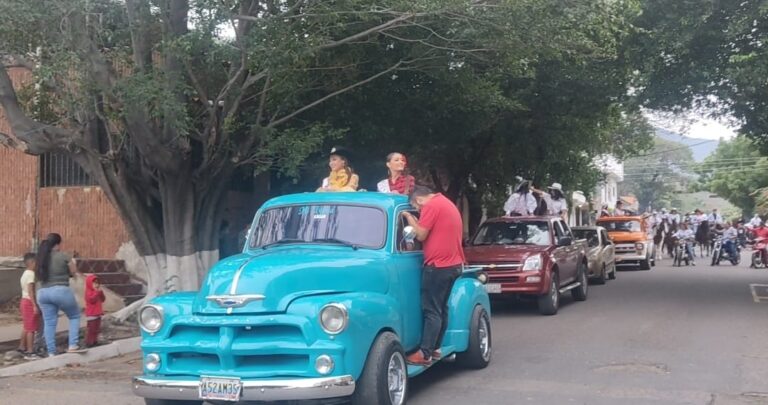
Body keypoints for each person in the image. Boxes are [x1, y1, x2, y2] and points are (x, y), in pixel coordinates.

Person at [401, 185, 465, 365]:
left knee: (431, 310)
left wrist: (409, 218)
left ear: (418, 199)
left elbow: (420, 235)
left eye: (416, 206)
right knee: (440, 309)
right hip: (453, 264)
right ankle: (435, 348)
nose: (419, 210)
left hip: (438, 266)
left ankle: (424, 353)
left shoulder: (431, 206)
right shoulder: (446, 203)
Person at [35, 233, 87, 355]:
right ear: (58, 244)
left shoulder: (41, 258)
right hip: (60, 290)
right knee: (74, 316)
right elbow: (73, 272)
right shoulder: (63, 256)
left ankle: (51, 352)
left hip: (42, 293)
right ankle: (73, 345)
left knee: (49, 322)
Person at [17, 253, 40, 360]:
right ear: (32, 263)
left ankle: (22, 346)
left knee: (26, 326)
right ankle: (30, 351)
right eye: (36, 262)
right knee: (31, 328)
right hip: (29, 302)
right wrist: (35, 305)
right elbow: (31, 290)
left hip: (24, 301)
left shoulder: (24, 273)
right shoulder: (31, 274)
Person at [84, 274, 106, 348]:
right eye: (94, 283)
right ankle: (89, 342)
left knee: (97, 329)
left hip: (98, 314)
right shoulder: (88, 292)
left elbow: (103, 300)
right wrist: (97, 293)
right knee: (91, 329)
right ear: (90, 283)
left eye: (97, 283)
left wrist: (101, 293)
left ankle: (95, 341)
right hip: (91, 315)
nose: (96, 285)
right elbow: (91, 300)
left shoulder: (97, 292)